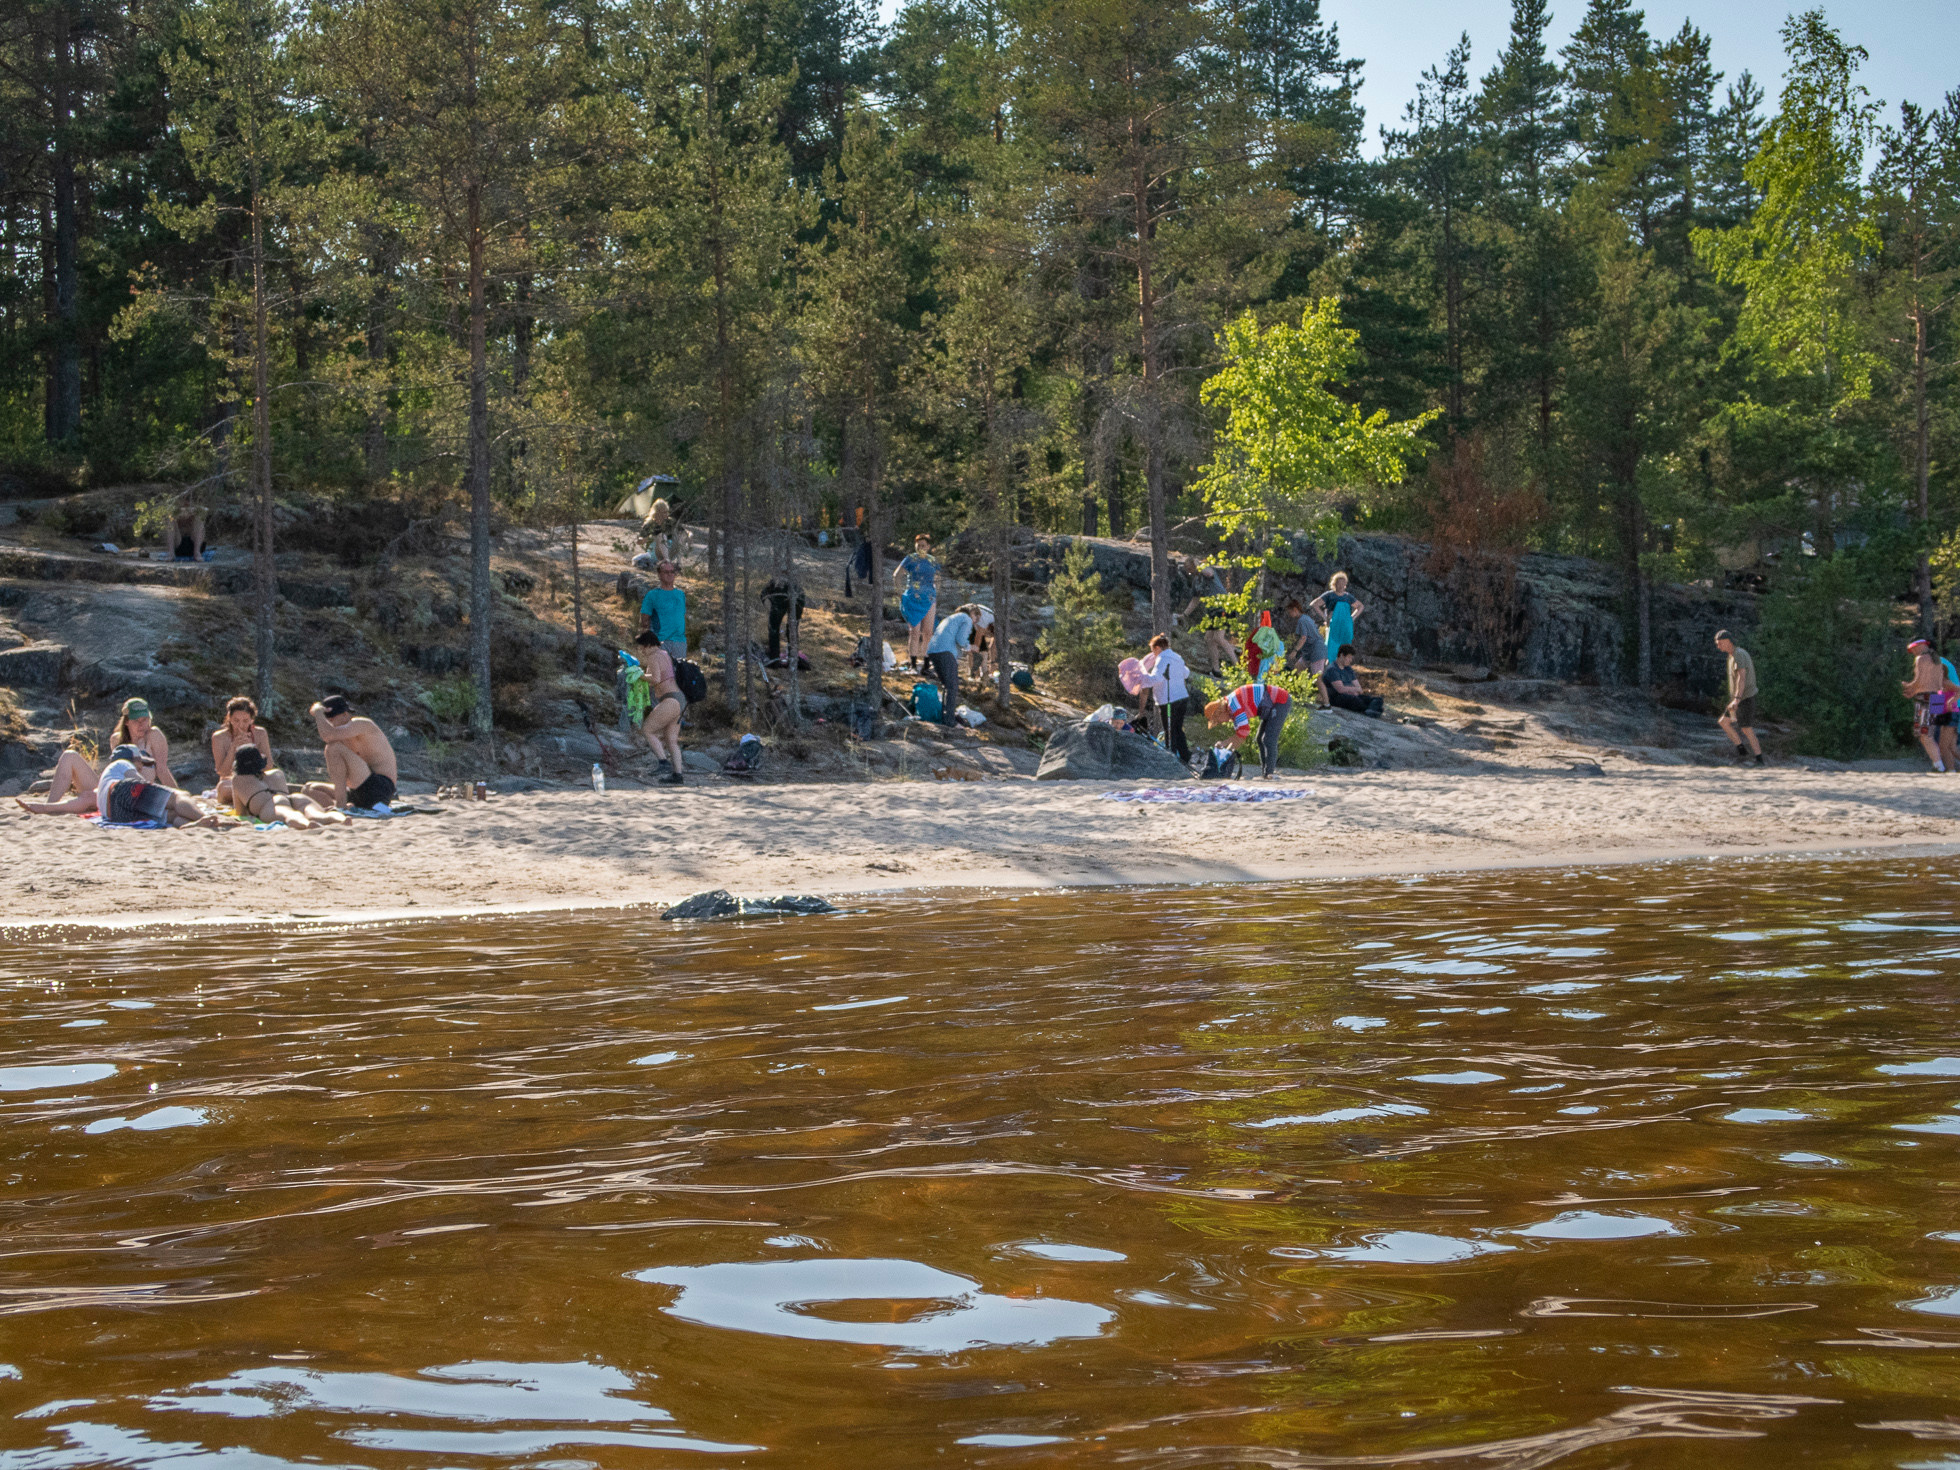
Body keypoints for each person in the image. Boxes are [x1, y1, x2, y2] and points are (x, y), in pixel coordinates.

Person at [303, 695, 399, 811]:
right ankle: (345, 809)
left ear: (345, 714)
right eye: (327, 721)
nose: (330, 723)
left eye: (332, 719)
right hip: (357, 789)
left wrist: (318, 713)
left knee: (333, 748)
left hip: (379, 789)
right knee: (309, 789)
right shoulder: (340, 736)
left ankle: (340, 805)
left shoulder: (361, 724)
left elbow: (327, 736)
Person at [229, 743, 347, 829]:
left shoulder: (238, 780)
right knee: (320, 815)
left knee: (290, 815)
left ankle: (306, 824)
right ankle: (341, 819)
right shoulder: (277, 773)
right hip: (293, 798)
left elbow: (240, 812)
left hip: (269, 805)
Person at [629, 630, 686, 784]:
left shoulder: (654, 656)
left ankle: (663, 763)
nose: (641, 650)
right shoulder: (664, 653)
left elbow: (655, 679)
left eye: (642, 647)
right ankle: (677, 775)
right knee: (671, 740)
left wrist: (637, 674)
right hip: (680, 700)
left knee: (647, 729)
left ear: (647, 645)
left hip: (670, 699)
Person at [1204, 681, 1293, 779]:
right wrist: (1225, 746)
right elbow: (1239, 736)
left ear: (1220, 712)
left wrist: (1224, 743)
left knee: (1269, 739)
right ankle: (1266, 774)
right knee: (1259, 738)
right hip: (1270, 704)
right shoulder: (1230, 707)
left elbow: (1244, 732)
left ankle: (1269, 773)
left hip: (1280, 700)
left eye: (1217, 721)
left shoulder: (1234, 705)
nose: (1220, 723)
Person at [210, 695, 274, 809]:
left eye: (245, 721)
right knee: (225, 788)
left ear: (252, 720)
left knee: (276, 777)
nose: (240, 725)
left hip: (257, 779)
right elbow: (222, 772)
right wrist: (233, 748)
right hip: (230, 782)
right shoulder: (219, 737)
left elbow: (269, 765)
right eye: (236, 720)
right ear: (229, 718)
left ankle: (257, 795)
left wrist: (252, 752)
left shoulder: (260, 733)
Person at [1141, 633, 1192, 763]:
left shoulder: (1162, 658)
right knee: (1178, 728)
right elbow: (1186, 673)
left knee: (1169, 729)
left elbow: (1156, 678)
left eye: (1153, 650)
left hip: (1169, 699)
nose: (1153, 654)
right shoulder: (1177, 657)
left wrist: (1142, 677)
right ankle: (1185, 756)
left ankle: (1172, 757)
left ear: (1157, 648)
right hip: (1182, 697)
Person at [1715, 629, 1763, 766]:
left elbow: (1742, 677)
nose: (1718, 646)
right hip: (1738, 698)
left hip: (1744, 698)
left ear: (1727, 641)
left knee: (1746, 728)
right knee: (1724, 722)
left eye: (1720, 643)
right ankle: (1743, 753)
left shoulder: (1738, 655)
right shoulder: (1732, 656)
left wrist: (1736, 699)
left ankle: (1759, 760)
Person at [1180, 557, 1235, 675]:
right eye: (1187, 570)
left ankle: (1238, 666)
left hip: (1223, 605)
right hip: (1213, 610)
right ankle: (1216, 670)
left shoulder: (1207, 570)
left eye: (1190, 568)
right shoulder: (1196, 581)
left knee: (1219, 637)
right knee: (1209, 639)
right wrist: (1184, 615)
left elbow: (1209, 573)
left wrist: (1197, 563)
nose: (1189, 571)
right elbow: (1195, 600)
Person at [1901, 637, 1947, 773]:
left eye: (1913, 648)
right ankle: (1937, 763)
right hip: (1938, 697)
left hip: (1925, 698)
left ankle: (1939, 765)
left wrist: (1907, 686)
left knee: (1925, 734)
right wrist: (1914, 691)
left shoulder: (1921, 659)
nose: (1913, 652)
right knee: (1930, 734)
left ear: (1920, 646)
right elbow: (1937, 684)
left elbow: (1919, 680)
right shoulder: (1938, 660)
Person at [110, 697, 177, 791]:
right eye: (135, 721)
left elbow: (162, 770)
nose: (141, 724)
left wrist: (178, 796)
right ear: (126, 722)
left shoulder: (154, 735)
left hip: (145, 792)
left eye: (144, 719)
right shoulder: (116, 740)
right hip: (124, 792)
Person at [925, 605, 978, 720]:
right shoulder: (966, 619)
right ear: (972, 613)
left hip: (933, 651)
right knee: (952, 686)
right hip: (945, 651)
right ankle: (949, 720)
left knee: (947, 685)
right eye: (976, 617)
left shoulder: (951, 618)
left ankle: (945, 715)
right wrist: (970, 647)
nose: (975, 621)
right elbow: (961, 639)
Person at [895, 534, 939, 669]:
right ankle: (912, 663)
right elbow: (897, 575)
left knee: (928, 632)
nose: (920, 548)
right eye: (918, 545)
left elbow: (937, 579)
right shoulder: (910, 559)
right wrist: (900, 594)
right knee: (914, 631)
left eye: (923, 545)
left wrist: (936, 594)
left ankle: (926, 663)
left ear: (928, 547)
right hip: (912, 598)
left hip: (929, 599)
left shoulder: (933, 561)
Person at [638, 560, 687, 664]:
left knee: (679, 676)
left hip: (680, 642)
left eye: (672, 572)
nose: (670, 574)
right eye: (666, 572)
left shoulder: (681, 594)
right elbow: (644, 621)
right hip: (660, 642)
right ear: (659, 575)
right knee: (660, 676)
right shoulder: (652, 595)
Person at [1286, 597, 1330, 703]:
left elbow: (1303, 638)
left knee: (1317, 678)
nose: (1289, 615)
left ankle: (1326, 702)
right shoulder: (1305, 618)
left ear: (1295, 610)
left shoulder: (1302, 620)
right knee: (1298, 667)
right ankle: (1306, 691)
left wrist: (1295, 650)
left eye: (1290, 612)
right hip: (1309, 652)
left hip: (1317, 651)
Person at [1309, 572, 1364, 657]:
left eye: (1343, 583)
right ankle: (1329, 668)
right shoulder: (1329, 595)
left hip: (1345, 627)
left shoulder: (1348, 597)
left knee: (1344, 650)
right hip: (1333, 625)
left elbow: (1360, 606)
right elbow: (1314, 604)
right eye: (1339, 583)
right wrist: (1325, 617)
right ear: (1335, 583)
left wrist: (1352, 617)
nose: (1341, 585)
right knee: (1331, 649)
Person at [1324, 645, 1383, 717]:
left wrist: (1352, 690)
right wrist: (1354, 690)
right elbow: (1340, 689)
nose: (1350, 660)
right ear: (1342, 655)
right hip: (1337, 698)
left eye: (1351, 658)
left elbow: (1360, 689)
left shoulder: (1348, 669)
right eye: (1349, 657)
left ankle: (1370, 710)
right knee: (1354, 700)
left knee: (1378, 699)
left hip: (1352, 695)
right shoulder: (1332, 669)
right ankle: (1373, 709)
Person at [761, 574, 806, 665]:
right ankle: (790, 656)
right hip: (796, 600)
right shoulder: (778, 583)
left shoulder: (775, 584)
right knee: (791, 629)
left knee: (775, 629)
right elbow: (763, 595)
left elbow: (763, 595)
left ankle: (775, 657)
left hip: (793, 600)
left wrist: (769, 608)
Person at [638, 496, 685, 566]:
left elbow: (683, 531)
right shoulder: (649, 524)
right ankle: (667, 562)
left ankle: (679, 563)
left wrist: (689, 535)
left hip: (670, 550)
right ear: (656, 512)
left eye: (666, 512)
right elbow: (639, 540)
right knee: (661, 536)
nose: (666, 515)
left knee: (680, 536)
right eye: (663, 513)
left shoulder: (670, 522)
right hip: (654, 552)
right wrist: (645, 539)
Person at [1245, 610, 1284, 681]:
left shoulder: (1258, 631)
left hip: (1260, 660)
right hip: (1265, 661)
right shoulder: (1279, 643)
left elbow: (1250, 644)